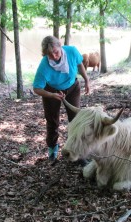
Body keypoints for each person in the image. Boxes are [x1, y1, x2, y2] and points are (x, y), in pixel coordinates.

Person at [33, 35, 90, 163]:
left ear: (60, 46)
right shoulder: (44, 66)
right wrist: (52, 95)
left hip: (72, 88)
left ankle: (77, 153)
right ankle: (53, 150)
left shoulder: (71, 51)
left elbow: (80, 64)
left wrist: (86, 80)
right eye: (50, 54)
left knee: (75, 119)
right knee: (52, 121)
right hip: (52, 90)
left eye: (56, 52)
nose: (54, 56)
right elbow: (36, 88)